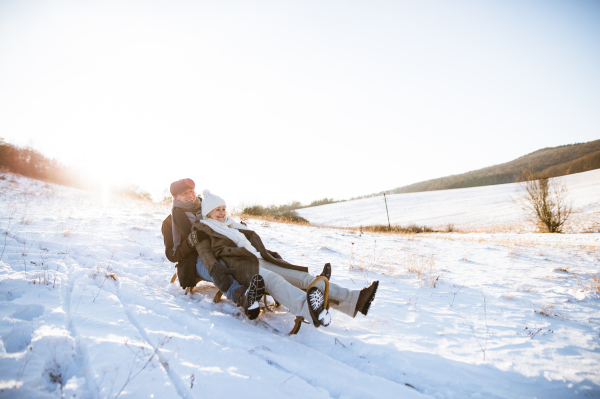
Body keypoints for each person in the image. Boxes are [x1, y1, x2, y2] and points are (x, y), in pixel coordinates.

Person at [189, 189, 379, 329]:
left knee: (303, 278)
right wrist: (225, 282)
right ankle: (310, 309)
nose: (222, 213)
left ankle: (355, 300)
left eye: (223, 208)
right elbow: (207, 258)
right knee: (274, 281)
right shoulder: (203, 230)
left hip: (260, 259)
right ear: (208, 214)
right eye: (217, 210)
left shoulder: (233, 224)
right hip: (242, 266)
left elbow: (254, 245)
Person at [161, 178, 264, 319]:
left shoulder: (207, 207)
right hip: (196, 259)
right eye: (185, 193)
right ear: (175, 197)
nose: (190, 195)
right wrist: (191, 242)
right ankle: (243, 297)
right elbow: (172, 255)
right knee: (217, 267)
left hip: (221, 248)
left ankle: (268, 282)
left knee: (247, 256)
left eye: (191, 191)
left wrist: (234, 227)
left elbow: (222, 221)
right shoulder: (169, 222)